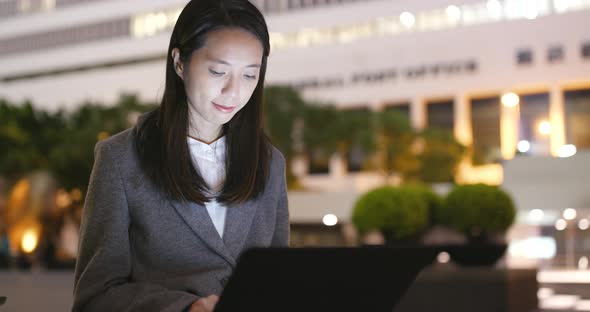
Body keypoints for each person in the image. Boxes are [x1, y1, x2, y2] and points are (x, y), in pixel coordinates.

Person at [72, 0, 289, 311]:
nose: (233, 91)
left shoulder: (270, 163)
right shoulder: (119, 160)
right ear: (179, 62)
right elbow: (94, 297)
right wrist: (185, 308)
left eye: (249, 76)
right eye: (218, 71)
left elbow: (278, 279)